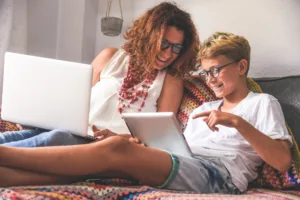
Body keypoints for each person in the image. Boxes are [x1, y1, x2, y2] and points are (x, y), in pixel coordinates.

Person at [0, 32, 292, 194]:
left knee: (115, 149)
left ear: (241, 67)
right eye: (205, 72)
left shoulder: (262, 103)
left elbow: (281, 161)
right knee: (101, 155)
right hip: (186, 162)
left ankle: (6, 154)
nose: (211, 78)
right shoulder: (204, 108)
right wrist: (131, 140)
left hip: (219, 175)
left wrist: (237, 122)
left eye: (217, 69)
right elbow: (177, 151)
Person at [0, 2, 200, 147]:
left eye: (176, 48)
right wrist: (38, 118)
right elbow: (71, 104)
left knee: (56, 139)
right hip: (76, 132)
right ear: (148, 37)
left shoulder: (170, 81)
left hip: (111, 146)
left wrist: (120, 138)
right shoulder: (109, 57)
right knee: (28, 136)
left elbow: (161, 140)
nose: (167, 54)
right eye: (163, 44)